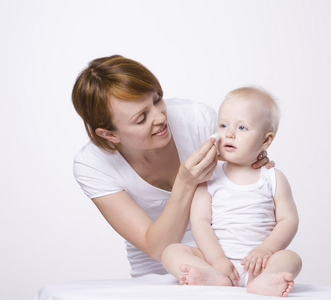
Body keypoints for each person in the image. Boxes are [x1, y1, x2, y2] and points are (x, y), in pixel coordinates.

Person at [71, 55, 271, 278]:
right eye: (141, 118)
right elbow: (157, 248)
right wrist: (185, 182)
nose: (159, 117)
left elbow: (246, 168)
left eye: (157, 100)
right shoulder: (92, 165)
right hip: (162, 267)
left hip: (226, 256)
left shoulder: (195, 119)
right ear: (110, 134)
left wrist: (255, 159)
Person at [161, 87, 302, 297]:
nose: (229, 133)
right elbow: (200, 222)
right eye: (223, 125)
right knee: (171, 252)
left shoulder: (273, 177)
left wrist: (267, 250)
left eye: (242, 127)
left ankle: (264, 280)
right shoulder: (209, 177)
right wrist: (216, 259)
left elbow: (288, 220)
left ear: (265, 140)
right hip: (216, 262)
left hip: (258, 264)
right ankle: (211, 277)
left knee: (291, 258)